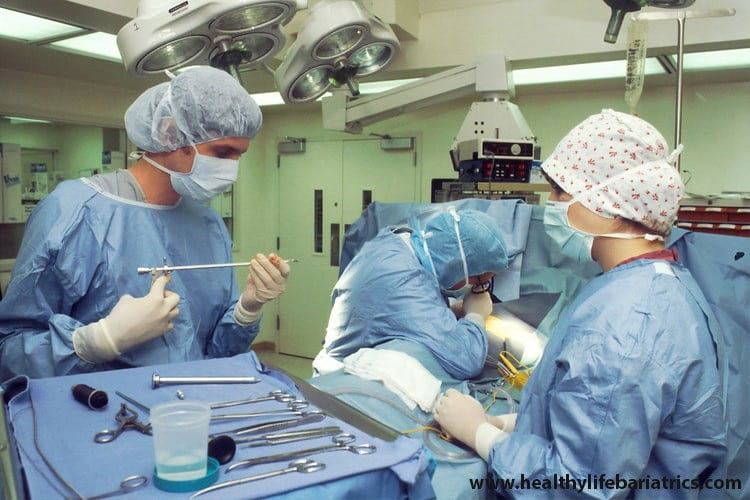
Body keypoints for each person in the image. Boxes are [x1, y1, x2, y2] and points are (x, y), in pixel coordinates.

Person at [435, 109, 727, 496]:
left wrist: (481, 434)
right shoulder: (658, 281)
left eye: (560, 192)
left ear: (608, 203)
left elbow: (577, 485)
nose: (550, 204)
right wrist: (519, 424)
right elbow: (608, 423)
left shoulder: (626, 323)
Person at [0, 67, 289, 380]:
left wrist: (247, 308)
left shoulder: (208, 222)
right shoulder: (74, 211)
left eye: (239, 156)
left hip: (191, 407)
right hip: (96, 413)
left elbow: (212, 355)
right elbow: (12, 350)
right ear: (169, 133)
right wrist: (100, 340)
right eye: (222, 152)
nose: (231, 168)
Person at [313, 206, 509, 380]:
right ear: (459, 265)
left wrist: (447, 310)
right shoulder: (405, 281)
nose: (477, 287)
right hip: (343, 384)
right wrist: (476, 315)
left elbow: (394, 311)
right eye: (479, 281)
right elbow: (466, 360)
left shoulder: (397, 243)